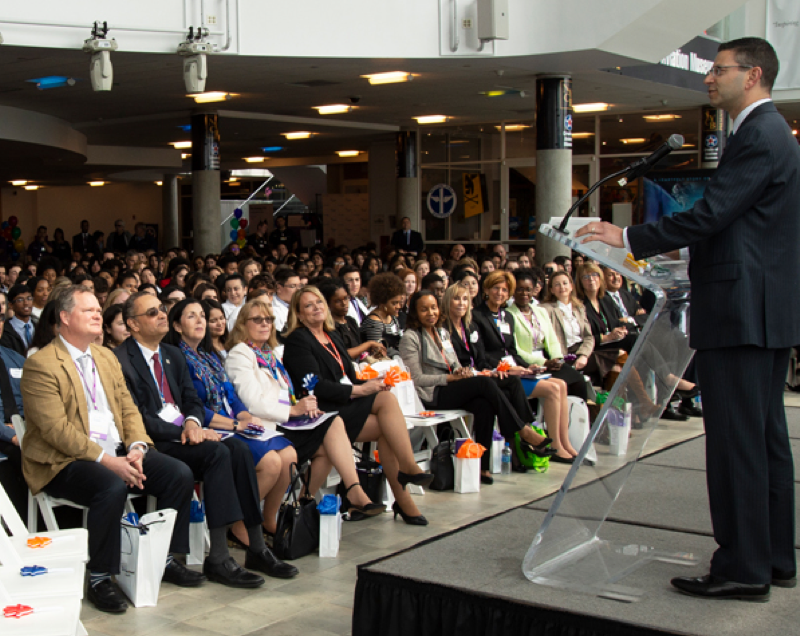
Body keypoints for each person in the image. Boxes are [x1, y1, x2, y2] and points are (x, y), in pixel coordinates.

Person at [577, 37, 799, 601]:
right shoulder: (768, 133)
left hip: (741, 311)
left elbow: (712, 212)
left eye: (718, 70)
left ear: (751, 76)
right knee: (763, 437)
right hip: (760, 310)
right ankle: (771, 555)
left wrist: (627, 237)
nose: (708, 79)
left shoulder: (760, 134)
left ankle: (743, 567)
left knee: (736, 444)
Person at [20, 284, 204, 614]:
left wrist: (137, 447)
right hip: (63, 461)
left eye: (97, 309)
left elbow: (127, 408)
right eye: (88, 309)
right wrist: (108, 461)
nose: (97, 314)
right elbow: (55, 431)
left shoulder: (105, 356)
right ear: (64, 318)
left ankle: (165, 560)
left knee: (177, 473)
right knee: (110, 483)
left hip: (116, 450)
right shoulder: (42, 364)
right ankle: (100, 577)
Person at [116, 291, 297, 585]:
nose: (162, 314)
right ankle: (220, 558)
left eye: (162, 309)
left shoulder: (172, 355)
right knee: (219, 453)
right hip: (154, 442)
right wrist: (186, 430)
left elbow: (191, 400)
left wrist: (191, 422)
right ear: (133, 324)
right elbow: (138, 416)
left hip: (184, 434)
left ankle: (256, 546)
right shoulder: (121, 359)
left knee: (237, 449)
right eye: (152, 313)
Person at [282, 286, 433, 524]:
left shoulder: (332, 336)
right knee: (385, 406)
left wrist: (369, 382)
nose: (316, 308)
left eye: (319, 302)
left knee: (387, 423)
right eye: (309, 305)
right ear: (299, 315)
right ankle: (406, 475)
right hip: (321, 410)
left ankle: (403, 495)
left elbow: (349, 376)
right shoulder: (298, 340)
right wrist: (359, 390)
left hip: (344, 405)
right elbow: (313, 386)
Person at [224, 297, 385, 521]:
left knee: (329, 439)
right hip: (267, 426)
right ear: (242, 324)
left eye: (269, 319)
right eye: (257, 319)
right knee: (331, 428)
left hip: (284, 422)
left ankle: (300, 505)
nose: (264, 324)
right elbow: (252, 402)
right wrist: (293, 410)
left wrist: (303, 407)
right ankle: (348, 492)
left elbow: (282, 394)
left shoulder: (268, 354)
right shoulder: (240, 353)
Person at [164, 299, 298, 547]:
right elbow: (190, 406)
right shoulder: (174, 359)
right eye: (191, 316)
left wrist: (244, 414)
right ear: (177, 325)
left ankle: (269, 520)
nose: (201, 321)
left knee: (289, 455)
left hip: (232, 422)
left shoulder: (209, 356)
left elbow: (230, 394)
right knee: (270, 464)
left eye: (202, 316)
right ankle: (238, 525)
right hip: (210, 426)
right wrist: (234, 425)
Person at [400, 290, 556, 483]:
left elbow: (455, 363)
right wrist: (451, 378)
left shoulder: (441, 332)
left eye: (433, 308)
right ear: (415, 313)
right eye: (424, 310)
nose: (431, 313)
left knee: (498, 392)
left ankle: (483, 466)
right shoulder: (411, 337)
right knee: (484, 383)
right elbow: (415, 379)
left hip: (453, 384)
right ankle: (522, 430)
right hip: (433, 394)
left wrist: (463, 372)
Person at [473, 271, 577, 461]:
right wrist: (507, 368)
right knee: (553, 389)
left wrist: (529, 367)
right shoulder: (477, 316)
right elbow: (482, 355)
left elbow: (512, 350)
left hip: (517, 370)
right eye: (496, 288)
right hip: (499, 373)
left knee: (561, 385)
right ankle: (548, 442)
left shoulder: (507, 316)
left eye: (504, 290)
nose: (500, 293)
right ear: (486, 289)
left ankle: (563, 441)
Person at [508, 269, 591, 402]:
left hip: (549, 361)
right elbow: (516, 350)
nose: (524, 293)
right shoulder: (508, 314)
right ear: (513, 291)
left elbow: (552, 340)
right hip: (528, 365)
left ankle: (577, 419)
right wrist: (544, 362)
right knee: (555, 386)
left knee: (577, 380)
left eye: (528, 289)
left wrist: (557, 359)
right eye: (520, 289)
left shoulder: (540, 311)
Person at [319, 279, 387, 362]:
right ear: (328, 304)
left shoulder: (351, 321)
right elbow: (342, 355)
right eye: (338, 301)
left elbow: (360, 348)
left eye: (346, 298)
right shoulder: (329, 326)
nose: (344, 303)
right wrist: (369, 344)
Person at [359, 272, 404, 358]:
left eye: (399, 302)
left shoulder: (392, 318)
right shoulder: (374, 323)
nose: (398, 306)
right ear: (383, 302)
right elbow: (377, 353)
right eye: (394, 303)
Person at [2, 284, 34, 356]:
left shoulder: (39, 326)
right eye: (20, 300)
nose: (26, 303)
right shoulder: (5, 330)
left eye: (29, 298)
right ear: (11, 305)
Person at [272, 268, 300, 334]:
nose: (298, 290)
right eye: (293, 286)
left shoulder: (300, 304)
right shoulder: (272, 310)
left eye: (299, 286)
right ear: (278, 288)